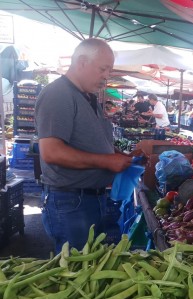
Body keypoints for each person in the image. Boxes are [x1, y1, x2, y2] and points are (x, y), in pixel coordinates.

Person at [35, 38, 134, 253]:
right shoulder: (58, 94)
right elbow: (51, 152)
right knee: (76, 270)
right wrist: (107, 161)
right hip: (71, 202)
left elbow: (90, 141)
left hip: (90, 198)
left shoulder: (89, 98)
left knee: (93, 266)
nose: (106, 76)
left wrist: (117, 155)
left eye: (109, 69)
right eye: (103, 69)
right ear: (81, 62)